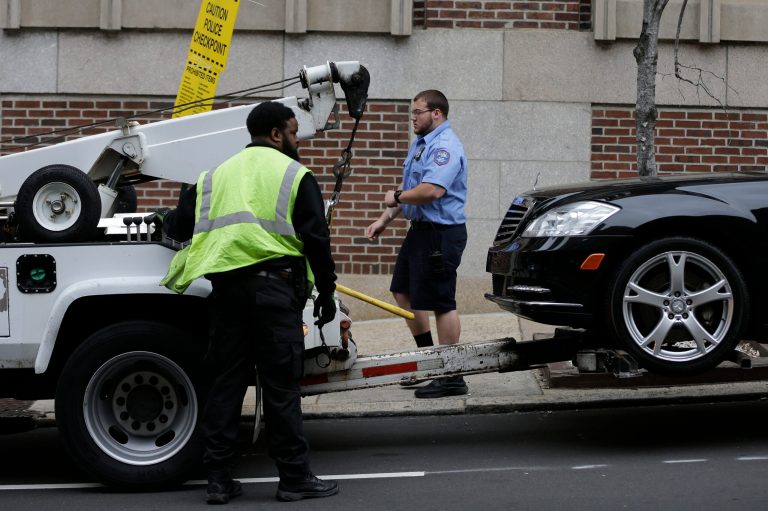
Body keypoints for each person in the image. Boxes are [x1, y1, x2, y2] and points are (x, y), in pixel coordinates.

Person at [160, 101, 339, 503]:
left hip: (226, 295)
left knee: (225, 384)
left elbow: (177, 224)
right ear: (276, 134)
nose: (297, 141)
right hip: (274, 294)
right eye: (294, 133)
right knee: (280, 388)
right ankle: (294, 478)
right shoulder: (295, 175)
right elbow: (317, 241)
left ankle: (219, 480)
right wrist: (326, 292)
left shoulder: (213, 176)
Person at [366, 89, 468, 399]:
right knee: (402, 291)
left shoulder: (445, 147)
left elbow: (431, 191)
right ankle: (429, 362)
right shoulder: (421, 145)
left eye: (418, 112)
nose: (413, 117)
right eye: (412, 112)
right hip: (420, 231)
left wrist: (396, 197)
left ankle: (452, 376)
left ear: (436, 114)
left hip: (441, 233)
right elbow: (411, 189)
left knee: (442, 302)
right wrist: (385, 219)